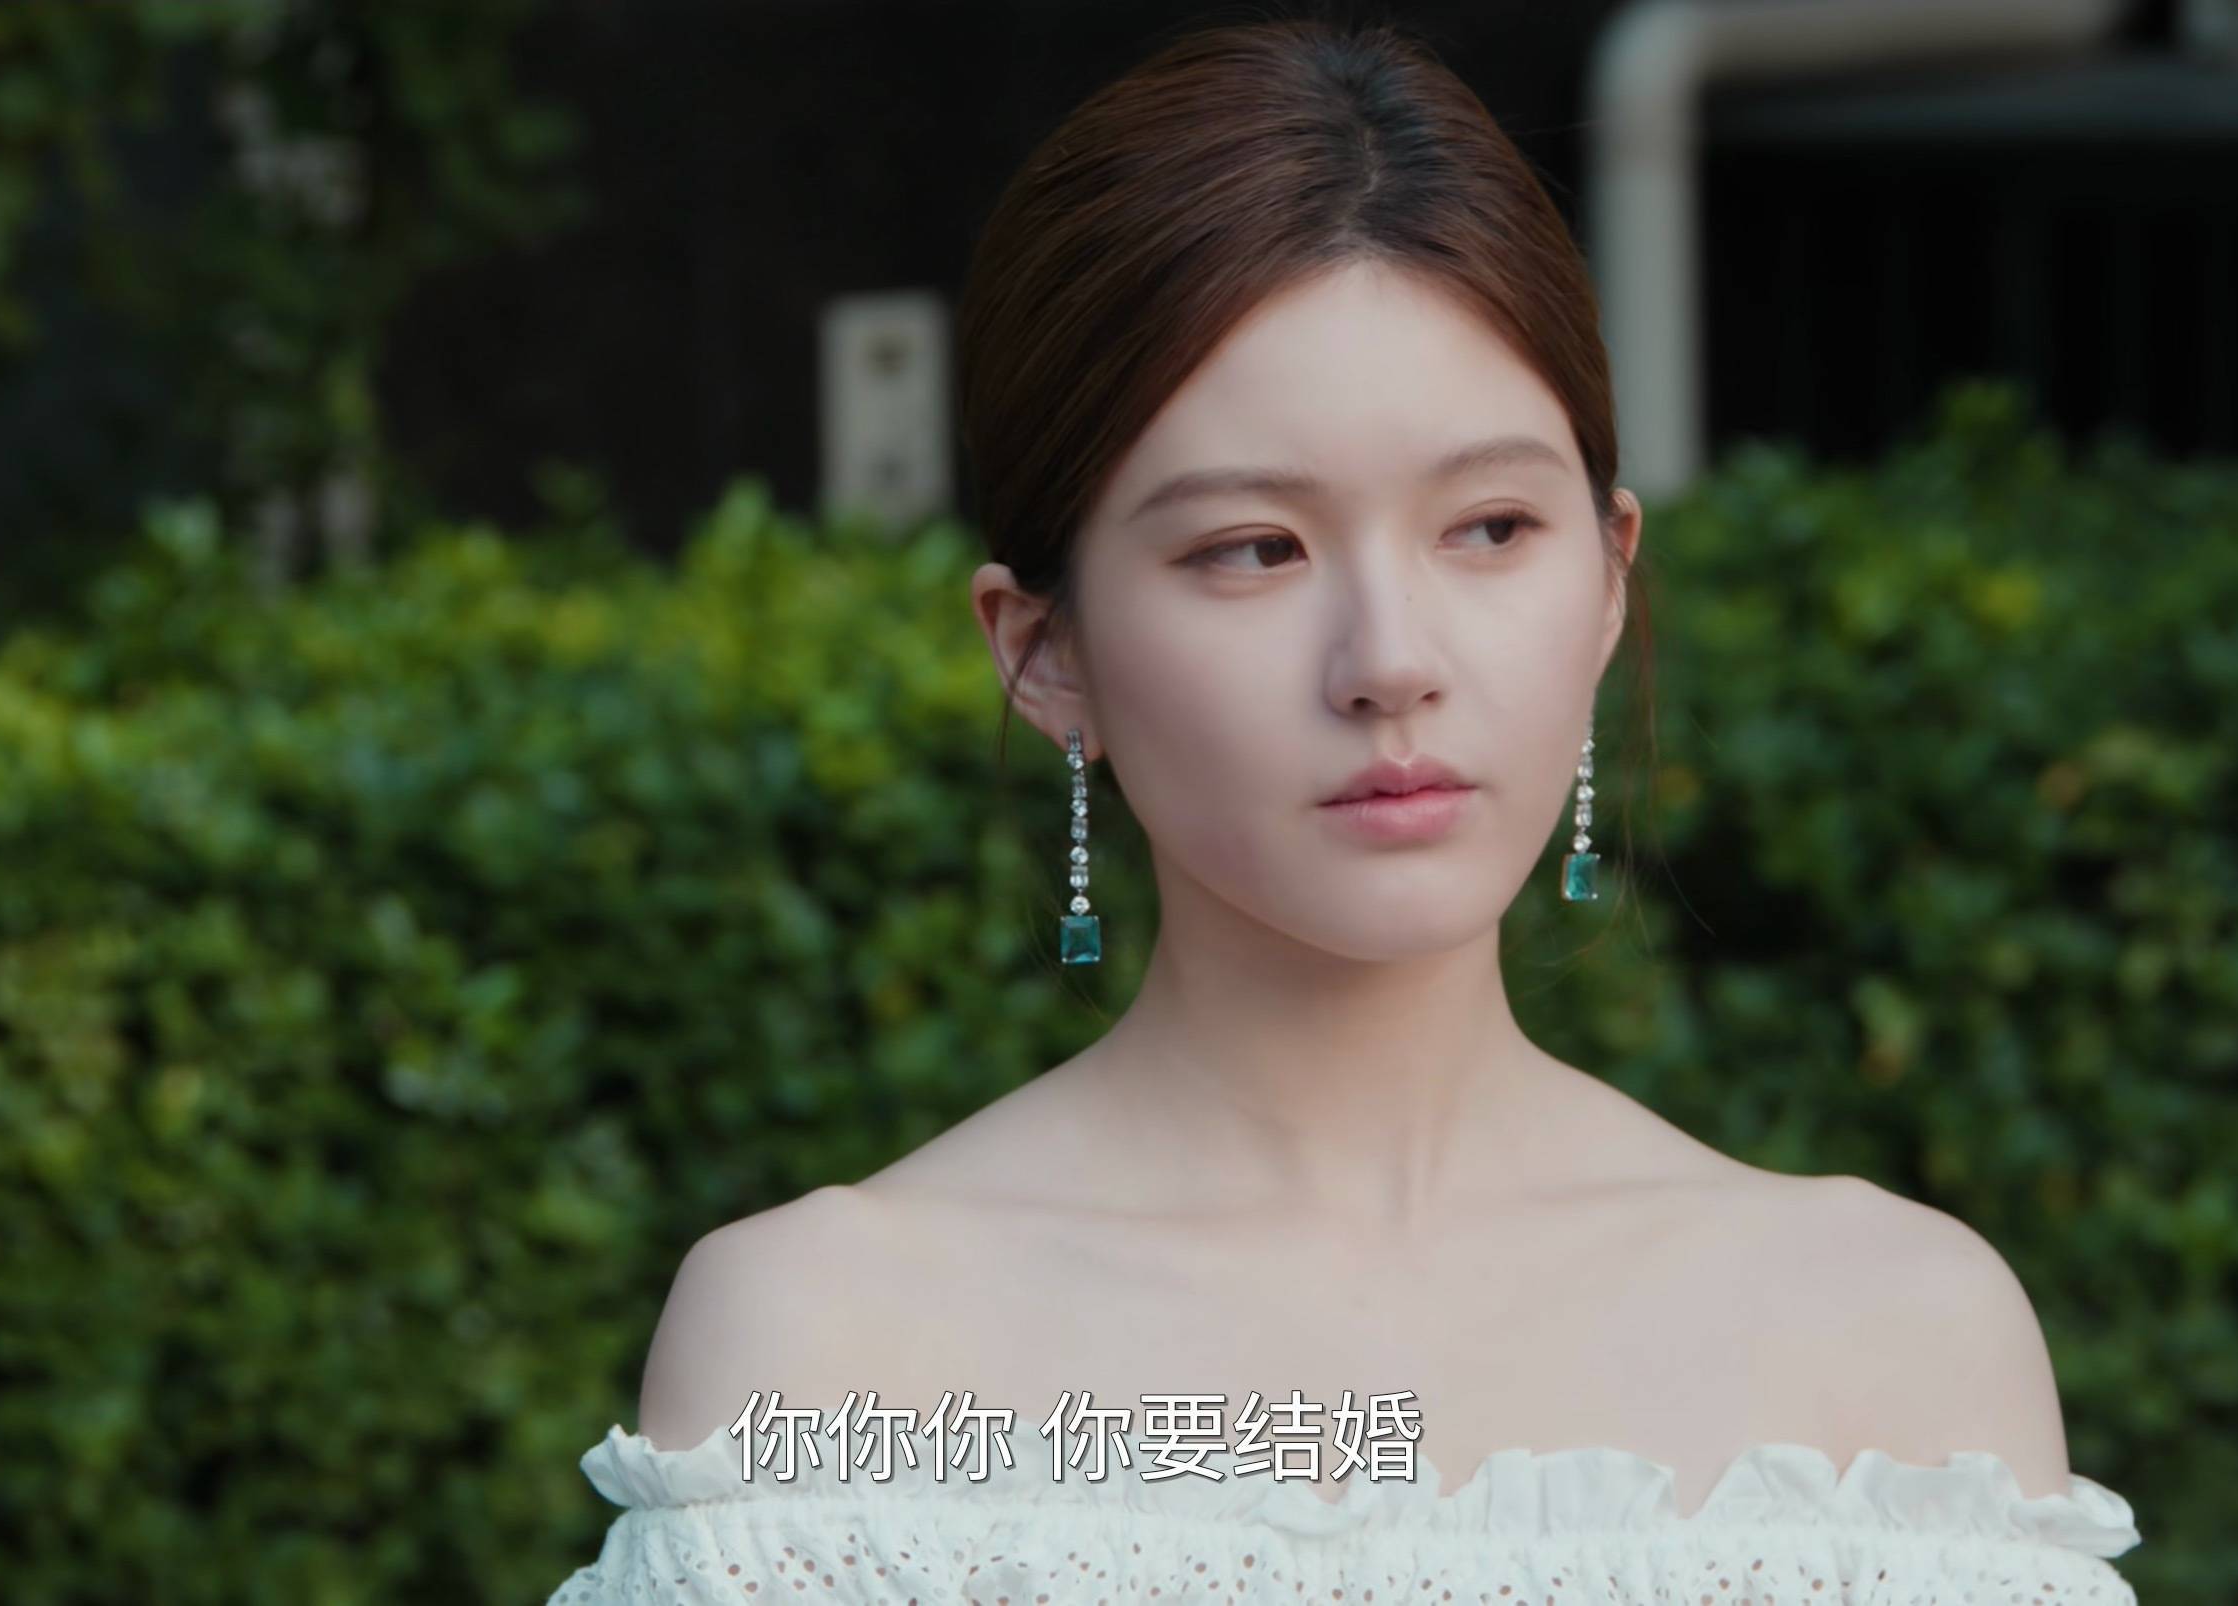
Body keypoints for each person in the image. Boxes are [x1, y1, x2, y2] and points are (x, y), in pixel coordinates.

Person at [547, 16, 2141, 1604]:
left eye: (1491, 526)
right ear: (1042, 652)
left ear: (1608, 582)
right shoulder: (828, 1351)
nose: (1390, 661)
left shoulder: (1896, 1348)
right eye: (1255, 548)